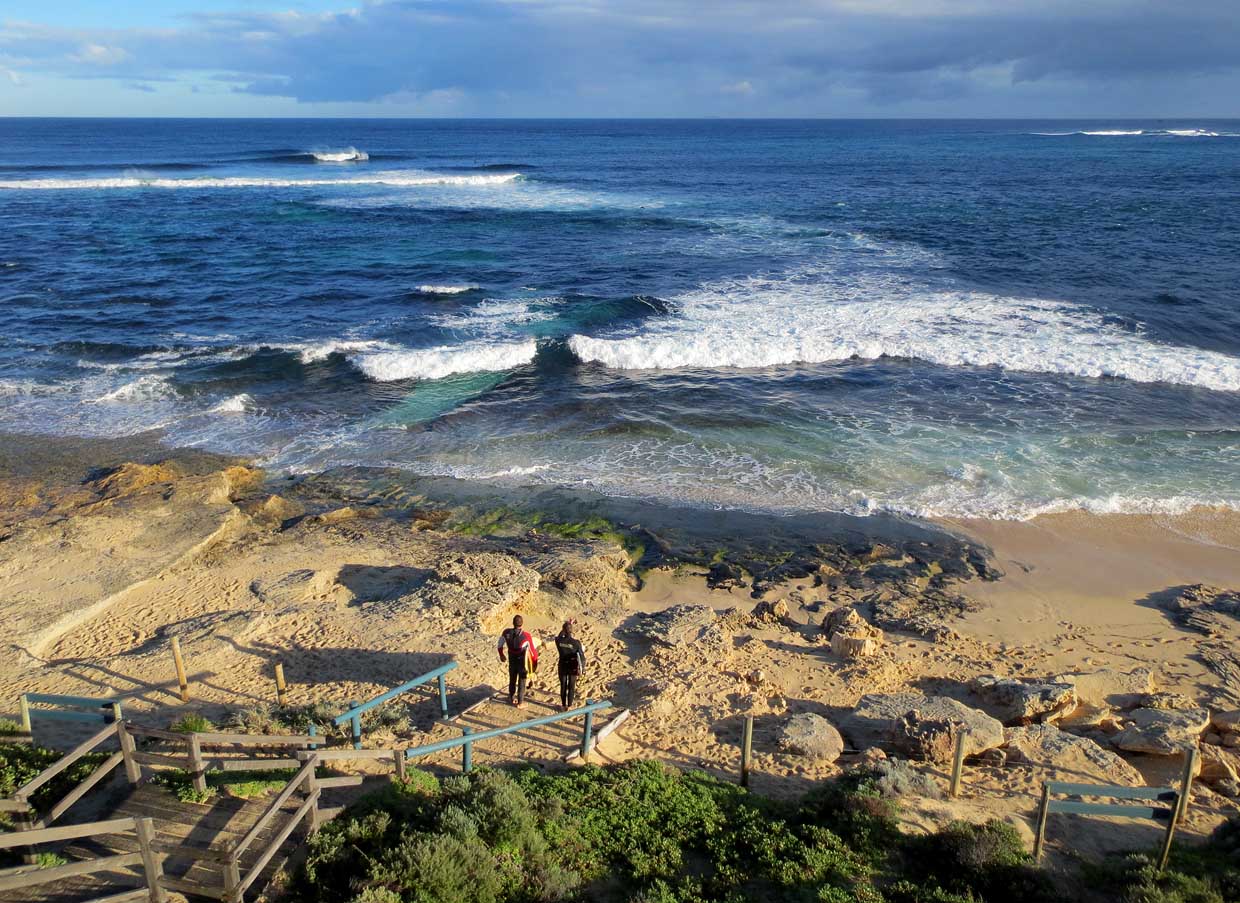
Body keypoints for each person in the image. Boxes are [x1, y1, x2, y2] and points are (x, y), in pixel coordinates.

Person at [497, 615, 538, 709]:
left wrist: (501, 655)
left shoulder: (506, 632)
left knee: (512, 678)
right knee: (522, 681)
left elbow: (500, 644)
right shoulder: (526, 636)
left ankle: (511, 697)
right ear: (522, 623)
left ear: (513, 623)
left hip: (512, 658)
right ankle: (520, 702)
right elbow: (533, 653)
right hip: (522, 660)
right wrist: (534, 666)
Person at [554, 620, 587, 711]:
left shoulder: (559, 641)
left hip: (562, 665)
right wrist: (582, 669)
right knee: (571, 687)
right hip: (572, 666)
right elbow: (582, 657)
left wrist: (563, 630)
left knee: (563, 685)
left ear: (563, 630)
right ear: (571, 631)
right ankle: (569, 705)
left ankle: (563, 705)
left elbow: (558, 636)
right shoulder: (576, 643)